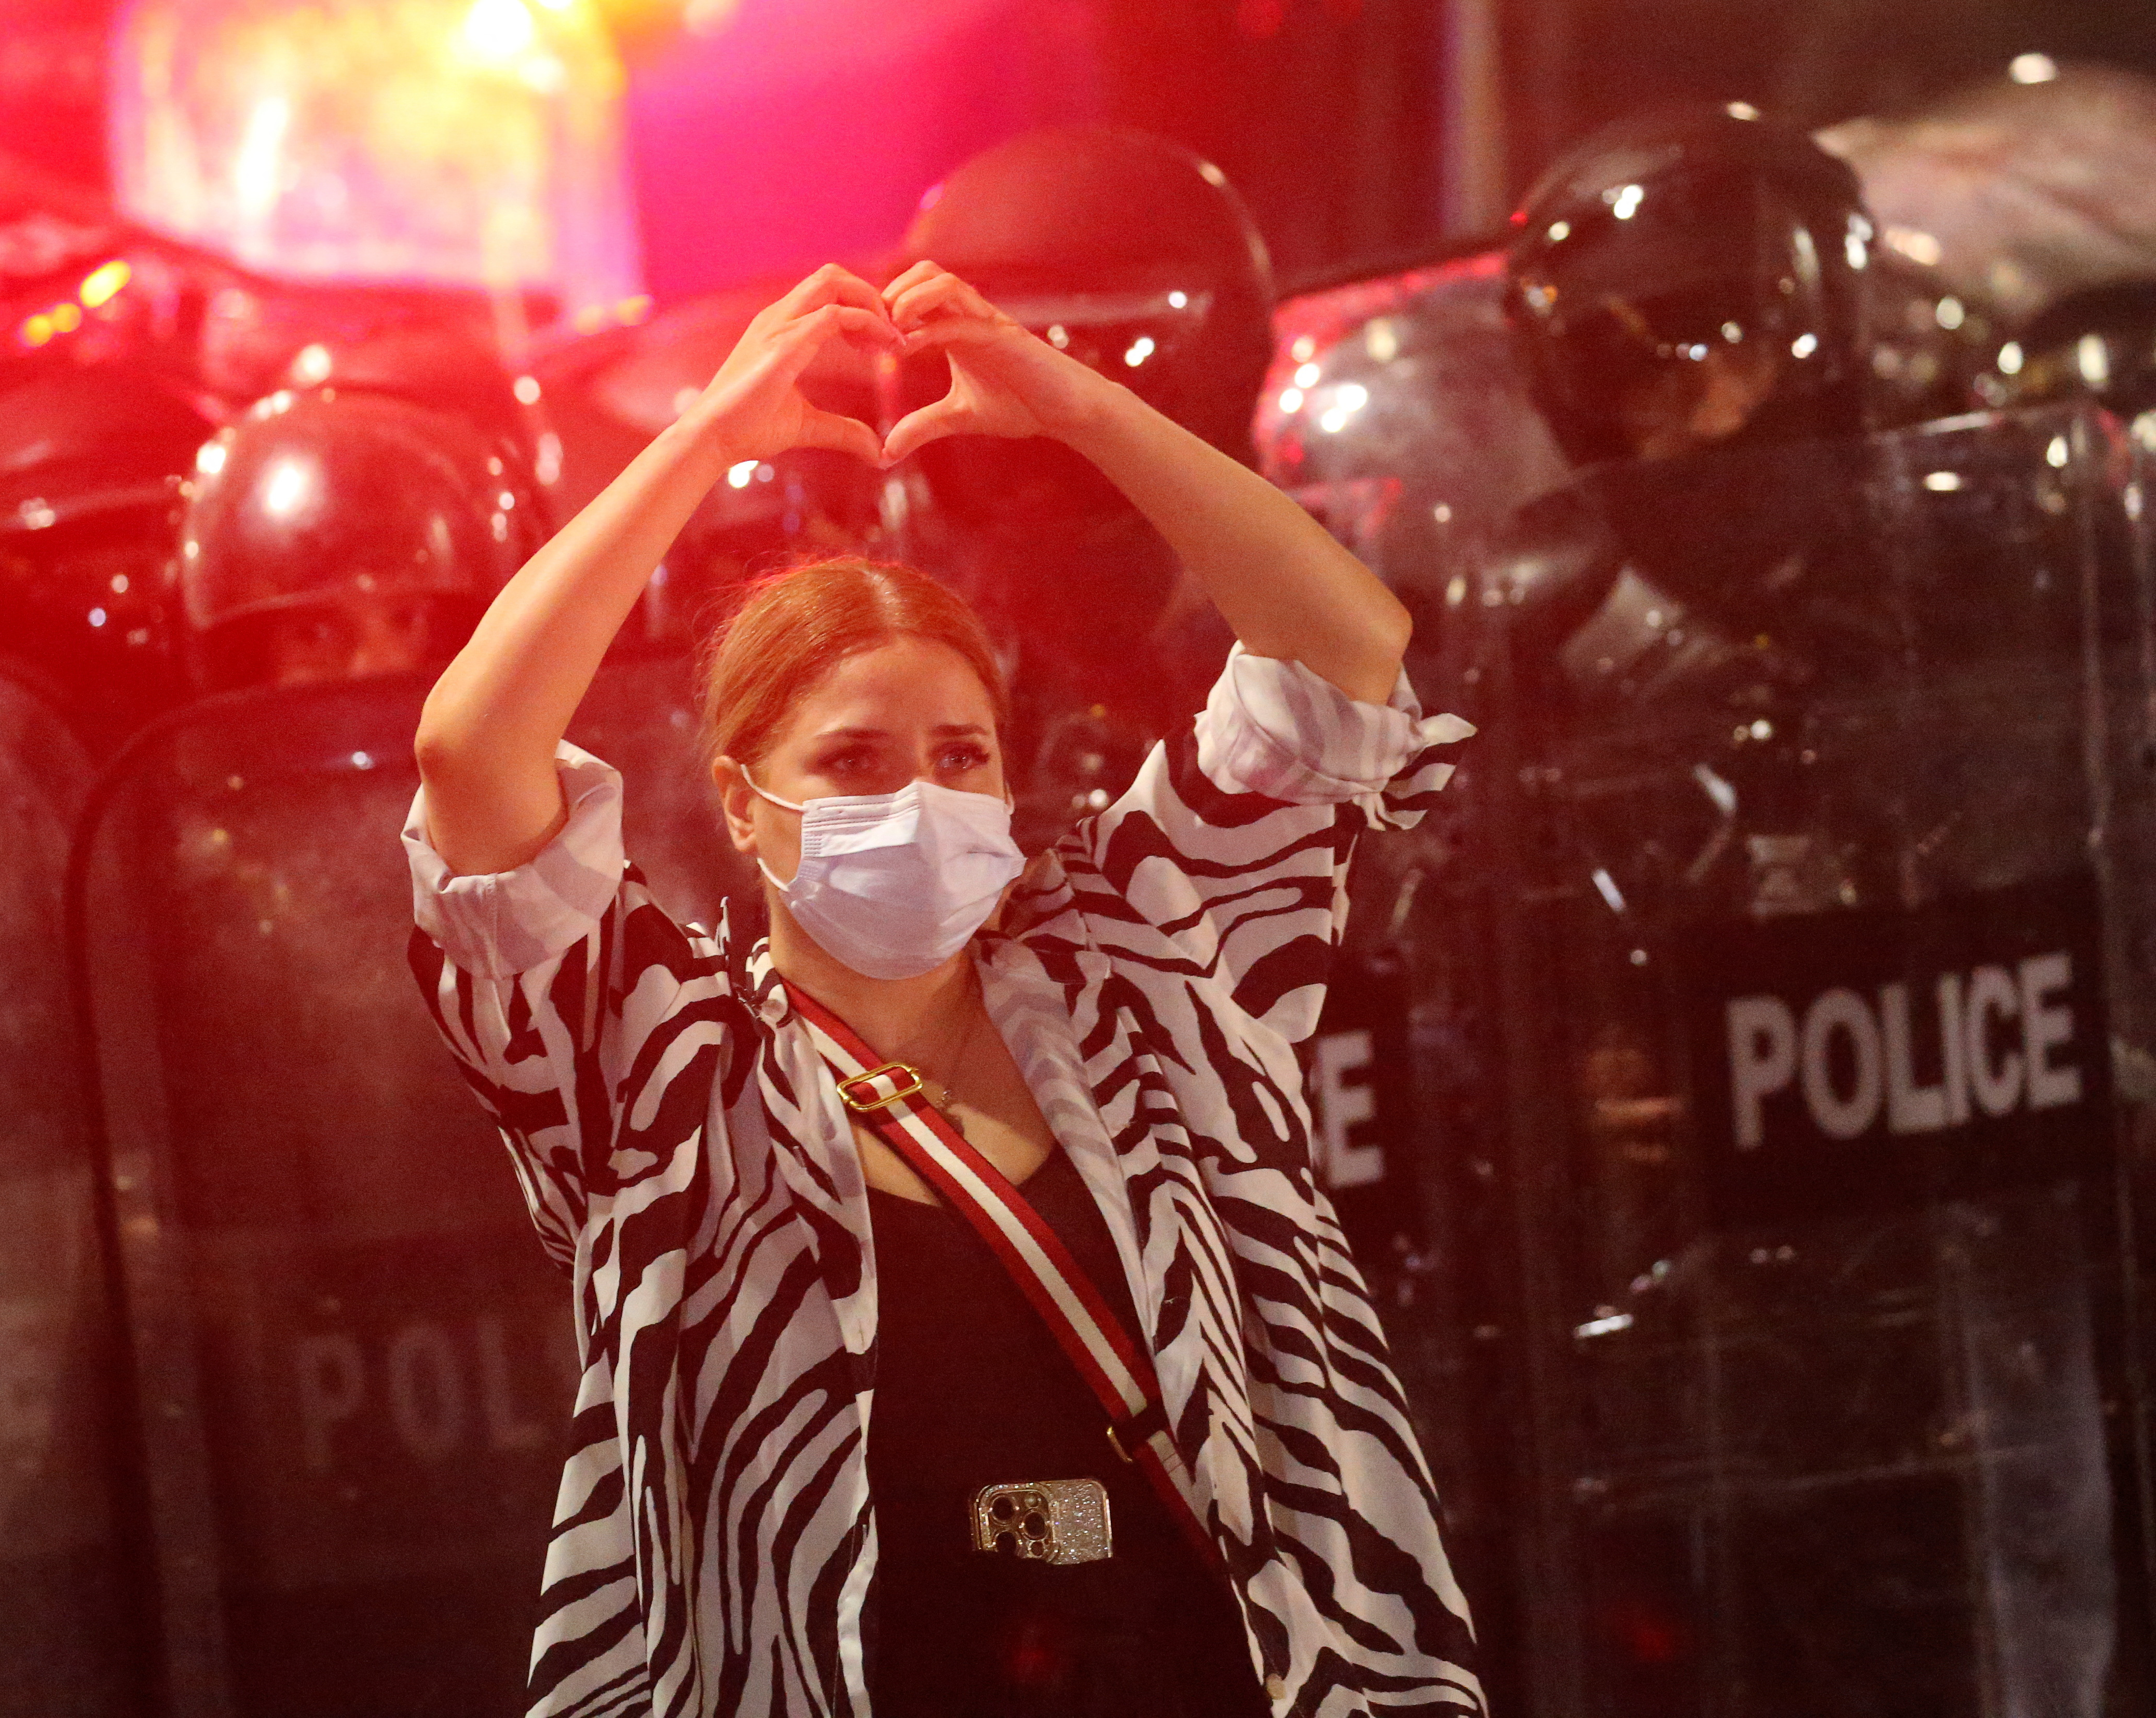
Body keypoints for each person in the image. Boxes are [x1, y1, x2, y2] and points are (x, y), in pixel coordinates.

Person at [404, 261, 1483, 1716]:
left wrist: (1080, 410)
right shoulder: (666, 1068)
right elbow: (473, 758)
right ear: (738, 802)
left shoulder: (1140, 961)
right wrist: (704, 439)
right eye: (853, 760)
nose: (920, 795)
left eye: (960, 754)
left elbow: (1347, 656)